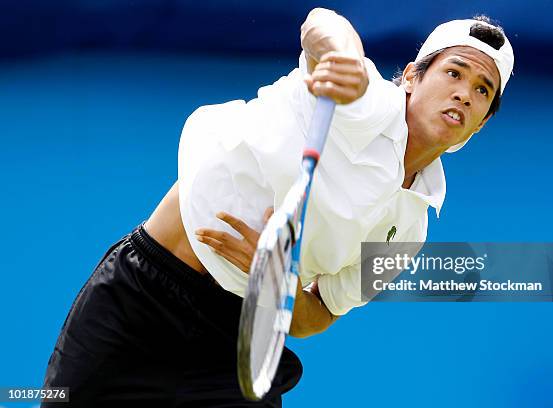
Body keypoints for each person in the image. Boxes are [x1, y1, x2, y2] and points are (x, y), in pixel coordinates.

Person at [42, 7, 514, 407]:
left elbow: (320, 314)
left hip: (237, 341)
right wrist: (344, 57)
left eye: (482, 90)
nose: (463, 94)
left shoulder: (410, 231)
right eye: (454, 72)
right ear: (412, 76)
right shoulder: (363, 99)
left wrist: (276, 282)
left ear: (482, 123)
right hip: (141, 299)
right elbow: (321, 23)